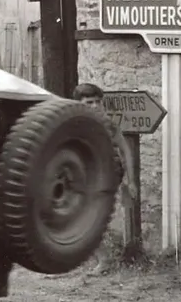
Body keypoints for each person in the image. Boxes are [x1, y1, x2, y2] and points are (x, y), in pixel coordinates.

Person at [71, 83, 138, 275]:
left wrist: (131, 180)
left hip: (106, 174)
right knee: (82, 219)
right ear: (79, 103)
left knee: (87, 218)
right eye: (89, 102)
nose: (95, 106)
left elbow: (125, 149)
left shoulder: (106, 123)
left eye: (98, 102)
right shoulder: (74, 123)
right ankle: (103, 258)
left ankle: (104, 260)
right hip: (83, 175)